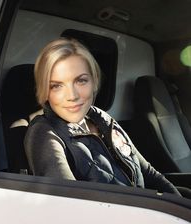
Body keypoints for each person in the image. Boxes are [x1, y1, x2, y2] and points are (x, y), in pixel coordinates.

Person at [24, 38, 181, 196]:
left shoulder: (101, 118)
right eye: (56, 86)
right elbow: (70, 206)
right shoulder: (44, 133)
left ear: (94, 81)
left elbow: (148, 173)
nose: (72, 96)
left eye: (81, 81)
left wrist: (177, 203)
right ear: (45, 91)